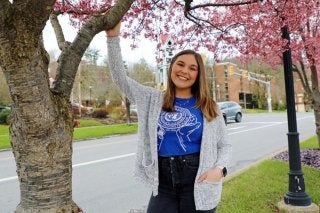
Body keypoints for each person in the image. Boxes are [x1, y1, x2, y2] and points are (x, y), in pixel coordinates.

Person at [106, 22, 231, 213]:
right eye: (180, 64)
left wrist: (220, 170)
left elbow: (224, 145)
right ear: (171, 67)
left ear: (198, 75)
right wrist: (112, 38)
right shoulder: (152, 98)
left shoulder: (208, 105)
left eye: (192, 68)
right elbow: (119, 78)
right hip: (163, 184)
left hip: (198, 181)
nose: (184, 71)